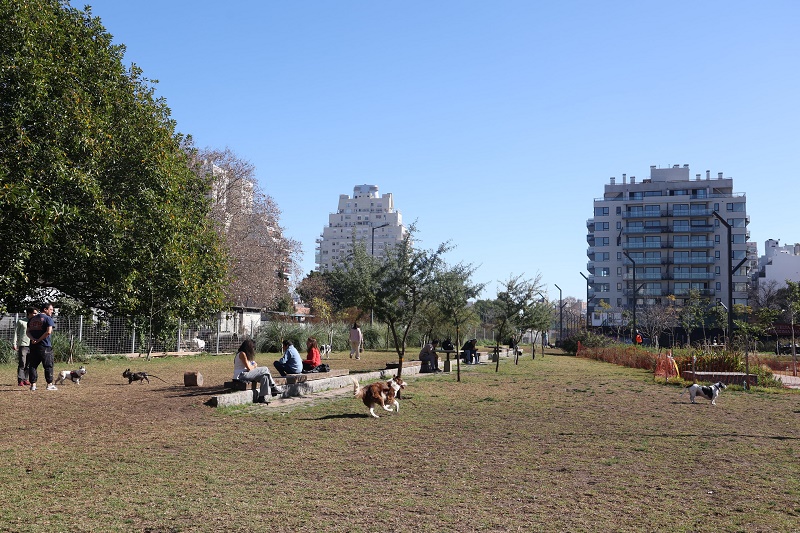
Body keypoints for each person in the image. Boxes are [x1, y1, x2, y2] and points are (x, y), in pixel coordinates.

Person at [233, 339, 284, 403]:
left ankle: (261, 397)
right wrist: (254, 366)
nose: (253, 350)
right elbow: (249, 368)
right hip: (241, 375)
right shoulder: (242, 354)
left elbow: (253, 366)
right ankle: (273, 387)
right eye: (253, 348)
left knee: (265, 376)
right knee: (265, 369)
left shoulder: (246, 355)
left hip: (246, 374)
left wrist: (254, 365)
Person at [26, 302, 57, 391]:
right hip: (45, 345)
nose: (52, 312)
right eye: (51, 309)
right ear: (45, 309)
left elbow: (27, 332)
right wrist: (39, 340)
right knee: (48, 365)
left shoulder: (31, 319)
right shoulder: (48, 319)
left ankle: (33, 385)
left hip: (33, 346)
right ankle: (49, 384)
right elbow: (48, 332)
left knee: (33, 365)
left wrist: (33, 339)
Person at [13, 306, 37, 386]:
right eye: (34, 313)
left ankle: (25, 379)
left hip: (32, 345)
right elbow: (16, 333)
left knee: (29, 363)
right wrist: (14, 343)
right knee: (22, 363)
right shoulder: (21, 321)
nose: (35, 315)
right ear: (29, 313)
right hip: (23, 344)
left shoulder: (35, 322)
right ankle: (20, 380)